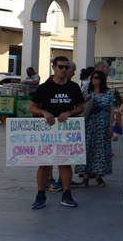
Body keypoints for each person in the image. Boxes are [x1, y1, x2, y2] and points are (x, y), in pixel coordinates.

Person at [28, 56, 85, 209]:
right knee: (44, 165)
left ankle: (67, 195)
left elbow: (81, 107)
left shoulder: (73, 87)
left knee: (65, 164)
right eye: (61, 67)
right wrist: (43, 112)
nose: (64, 70)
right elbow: (32, 107)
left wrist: (70, 113)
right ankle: (40, 195)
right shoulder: (44, 87)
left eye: (67, 67)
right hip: (47, 130)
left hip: (65, 131)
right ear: (54, 67)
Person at [76, 70, 118, 187]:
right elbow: (80, 108)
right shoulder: (86, 92)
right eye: (94, 78)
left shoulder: (109, 93)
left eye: (98, 78)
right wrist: (86, 100)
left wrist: (111, 126)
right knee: (86, 149)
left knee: (101, 150)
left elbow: (111, 110)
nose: (96, 80)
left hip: (102, 125)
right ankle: (85, 177)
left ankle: (99, 176)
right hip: (88, 124)